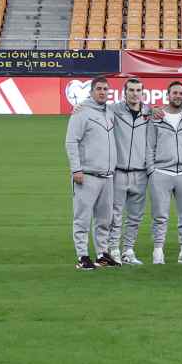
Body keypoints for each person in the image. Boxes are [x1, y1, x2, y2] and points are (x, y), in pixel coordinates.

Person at [147, 81, 182, 265]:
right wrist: (152, 170)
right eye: (174, 93)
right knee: (160, 216)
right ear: (168, 95)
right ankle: (158, 251)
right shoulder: (156, 117)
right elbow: (149, 147)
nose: (177, 96)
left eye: (180, 93)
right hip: (161, 172)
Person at [67, 76, 118, 270]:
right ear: (91, 92)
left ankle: (102, 254)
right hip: (87, 175)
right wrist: (76, 169)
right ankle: (82, 256)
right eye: (99, 89)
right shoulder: (81, 112)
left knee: (104, 220)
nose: (102, 92)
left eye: (105, 89)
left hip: (107, 176)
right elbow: (71, 141)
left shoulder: (110, 112)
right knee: (82, 218)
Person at [107, 76, 152, 265]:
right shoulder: (113, 110)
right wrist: (81, 105)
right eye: (131, 90)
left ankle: (128, 250)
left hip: (140, 173)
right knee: (115, 215)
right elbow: (94, 107)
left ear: (143, 93)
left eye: (138, 90)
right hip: (119, 171)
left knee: (135, 217)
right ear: (124, 92)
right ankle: (113, 250)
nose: (135, 94)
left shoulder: (149, 112)